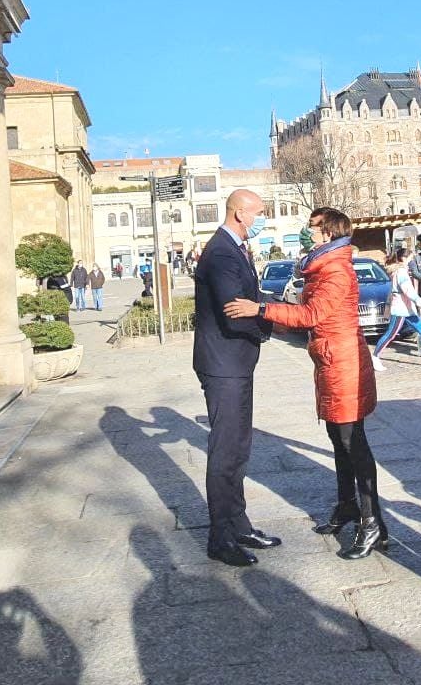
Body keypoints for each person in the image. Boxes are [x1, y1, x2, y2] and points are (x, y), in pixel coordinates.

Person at [225, 207, 387, 559]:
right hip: (330, 359)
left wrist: (261, 310)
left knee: (352, 440)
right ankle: (348, 508)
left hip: (343, 361)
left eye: (311, 228)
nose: (306, 232)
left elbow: (311, 315)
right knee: (337, 438)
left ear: (328, 233)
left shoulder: (336, 271)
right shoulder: (320, 266)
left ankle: (372, 522)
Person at [192, 189, 279, 567]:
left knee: (239, 448)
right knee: (225, 451)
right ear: (241, 213)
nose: (263, 219)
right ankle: (220, 536)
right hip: (224, 363)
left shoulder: (236, 247)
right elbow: (234, 310)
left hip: (236, 362)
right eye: (260, 213)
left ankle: (238, 523)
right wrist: (271, 319)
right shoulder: (223, 252)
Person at [373, 247, 421, 369]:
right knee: (390, 334)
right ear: (404, 258)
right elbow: (409, 292)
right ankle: (375, 357)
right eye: (410, 258)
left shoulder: (400, 271)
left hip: (407, 309)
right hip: (400, 310)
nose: (411, 260)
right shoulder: (401, 272)